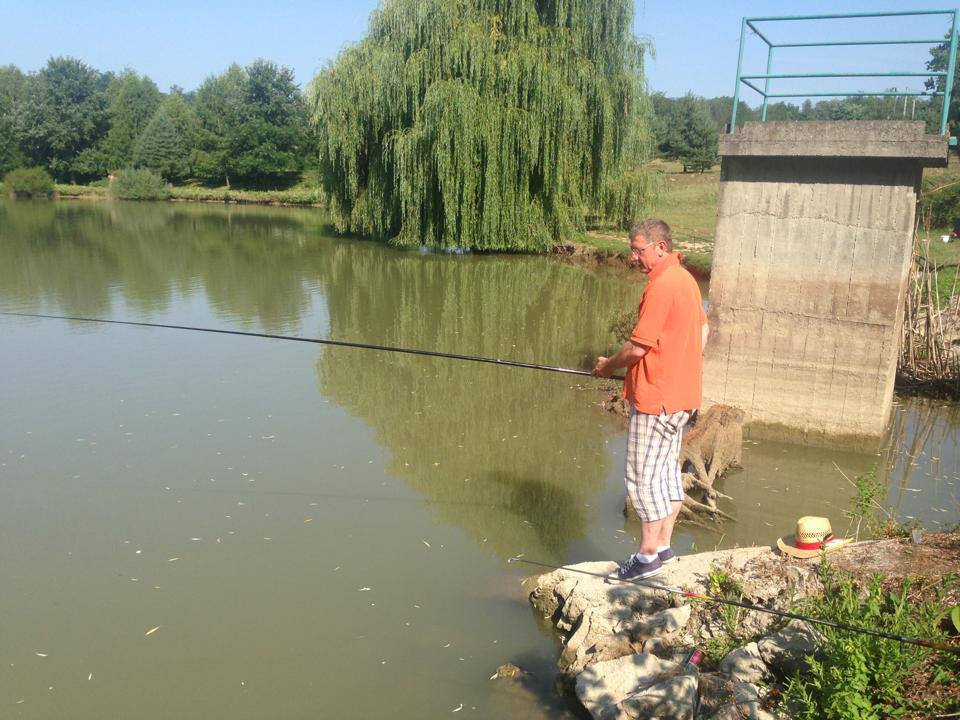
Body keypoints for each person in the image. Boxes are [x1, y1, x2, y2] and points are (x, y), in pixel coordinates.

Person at [593, 219, 708, 581]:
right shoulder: (686, 279)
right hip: (683, 397)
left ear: (660, 247)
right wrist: (680, 362)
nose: (633, 257)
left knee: (642, 476)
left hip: (656, 400)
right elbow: (704, 329)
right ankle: (664, 549)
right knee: (666, 472)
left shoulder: (662, 286)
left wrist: (607, 367)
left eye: (637, 249)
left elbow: (638, 347)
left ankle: (646, 557)